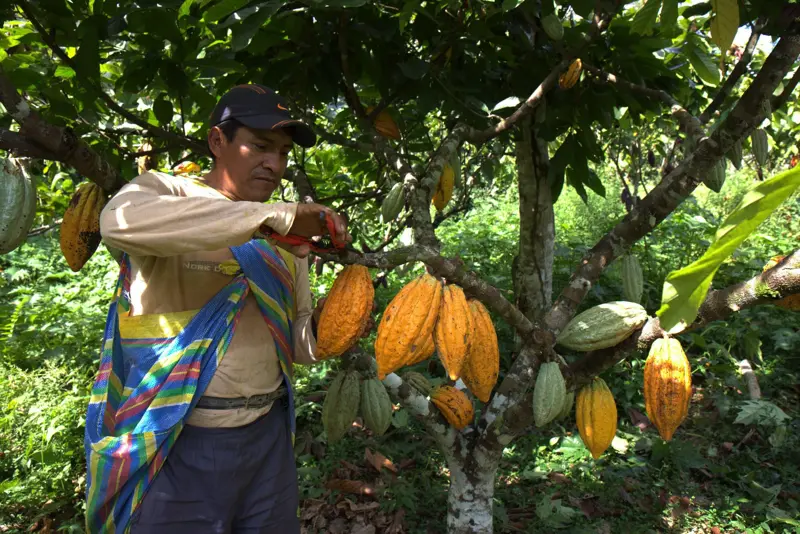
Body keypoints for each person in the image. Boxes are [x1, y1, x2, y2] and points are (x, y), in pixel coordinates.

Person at [83, 84, 352, 534]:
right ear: (217, 142)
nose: (275, 163)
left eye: (283, 152)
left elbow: (301, 343)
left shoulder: (285, 241)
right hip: (177, 436)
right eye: (261, 145)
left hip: (266, 438)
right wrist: (269, 218)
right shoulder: (169, 192)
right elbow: (116, 224)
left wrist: (341, 318)